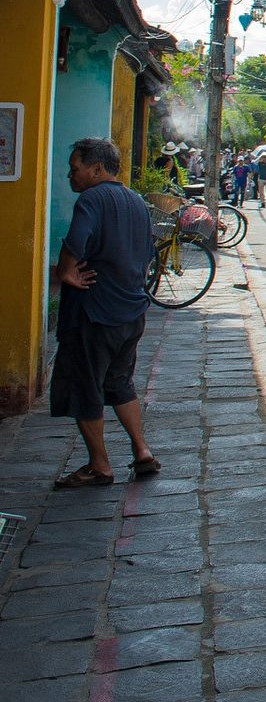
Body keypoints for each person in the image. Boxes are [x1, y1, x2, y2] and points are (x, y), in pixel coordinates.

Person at [48, 138, 158, 489]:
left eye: (75, 168)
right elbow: (147, 252)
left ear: (96, 169)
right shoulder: (136, 201)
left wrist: (66, 270)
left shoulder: (91, 199)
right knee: (120, 383)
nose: (70, 175)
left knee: (85, 387)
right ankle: (142, 451)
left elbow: (76, 240)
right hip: (130, 311)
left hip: (94, 314)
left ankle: (100, 465)